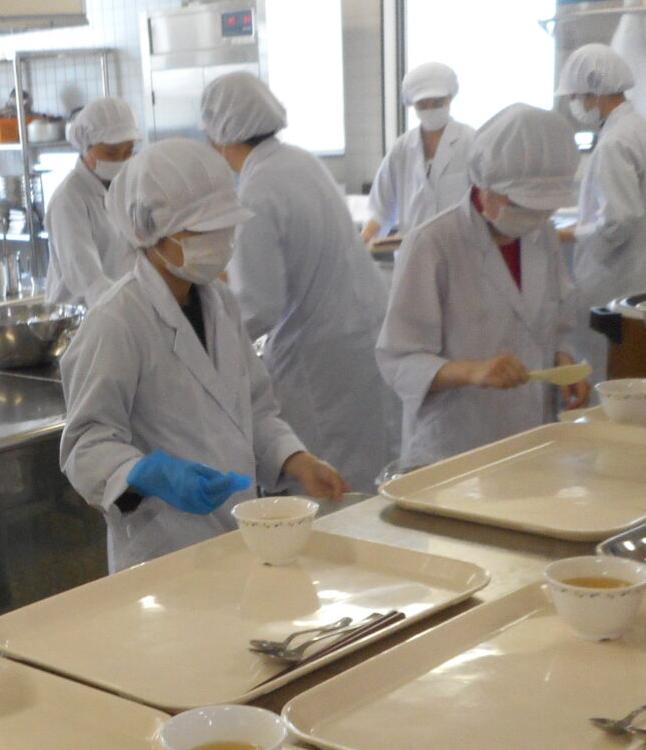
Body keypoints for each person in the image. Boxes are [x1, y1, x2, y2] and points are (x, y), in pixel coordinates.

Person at [58, 139, 347, 572]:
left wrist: (295, 459)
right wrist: (145, 474)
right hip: (161, 550)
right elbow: (86, 444)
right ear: (150, 230)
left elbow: (254, 411)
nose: (220, 241)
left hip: (241, 536)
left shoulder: (221, 304)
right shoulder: (116, 319)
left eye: (224, 227)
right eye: (202, 230)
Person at [201, 71, 397, 491]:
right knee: (366, 470)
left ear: (219, 136)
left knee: (327, 485)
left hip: (319, 359)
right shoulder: (301, 161)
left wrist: (204, 343)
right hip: (359, 340)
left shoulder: (257, 189)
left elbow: (259, 306)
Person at [376, 104, 589, 470]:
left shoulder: (540, 234)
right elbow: (399, 361)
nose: (535, 217)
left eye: (545, 208)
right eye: (521, 203)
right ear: (483, 185)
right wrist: (473, 371)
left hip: (528, 435)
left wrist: (563, 361)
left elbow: (557, 320)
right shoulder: (433, 243)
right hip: (453, 446)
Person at [555, 43, 646, 373]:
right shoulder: (637, 129)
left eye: (576, 96)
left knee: (604, 373)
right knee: (627, 369)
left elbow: (620, 220)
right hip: (637, 277)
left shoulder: (614, 143)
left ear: (594, 93)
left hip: (613, 284)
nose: (575, 104)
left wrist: (571, 234)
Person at [44, 97, 141, 309]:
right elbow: (87, 280)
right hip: (78, 316)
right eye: (111, 153)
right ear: (85, 147)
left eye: (128, 151)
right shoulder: (68, 199)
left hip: (119, 308)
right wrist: (128, 310)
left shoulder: (127, 189)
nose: (121, 160)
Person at [363, 62, 476, 243]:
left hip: (461, 250)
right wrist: (365, 239)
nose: (430, 110)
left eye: (437, 103)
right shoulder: (402, 148)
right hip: (412, 252)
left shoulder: (471, 141)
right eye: (422, 105)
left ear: (450, 98)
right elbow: (380, 209)